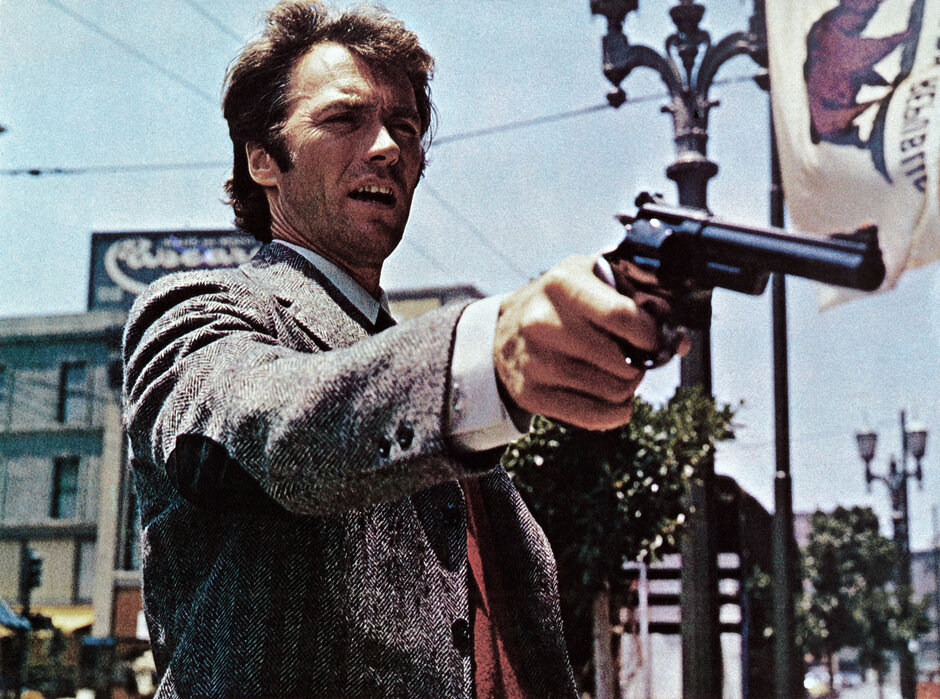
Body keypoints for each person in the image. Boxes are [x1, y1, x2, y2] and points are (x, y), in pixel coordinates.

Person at [122, 1, 680, 696]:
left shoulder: (427, 379)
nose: (387, 145)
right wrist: (489, 352)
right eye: (343, 118)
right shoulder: (197, 311)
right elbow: (269, 425)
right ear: (263, 159)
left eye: (406, 127)